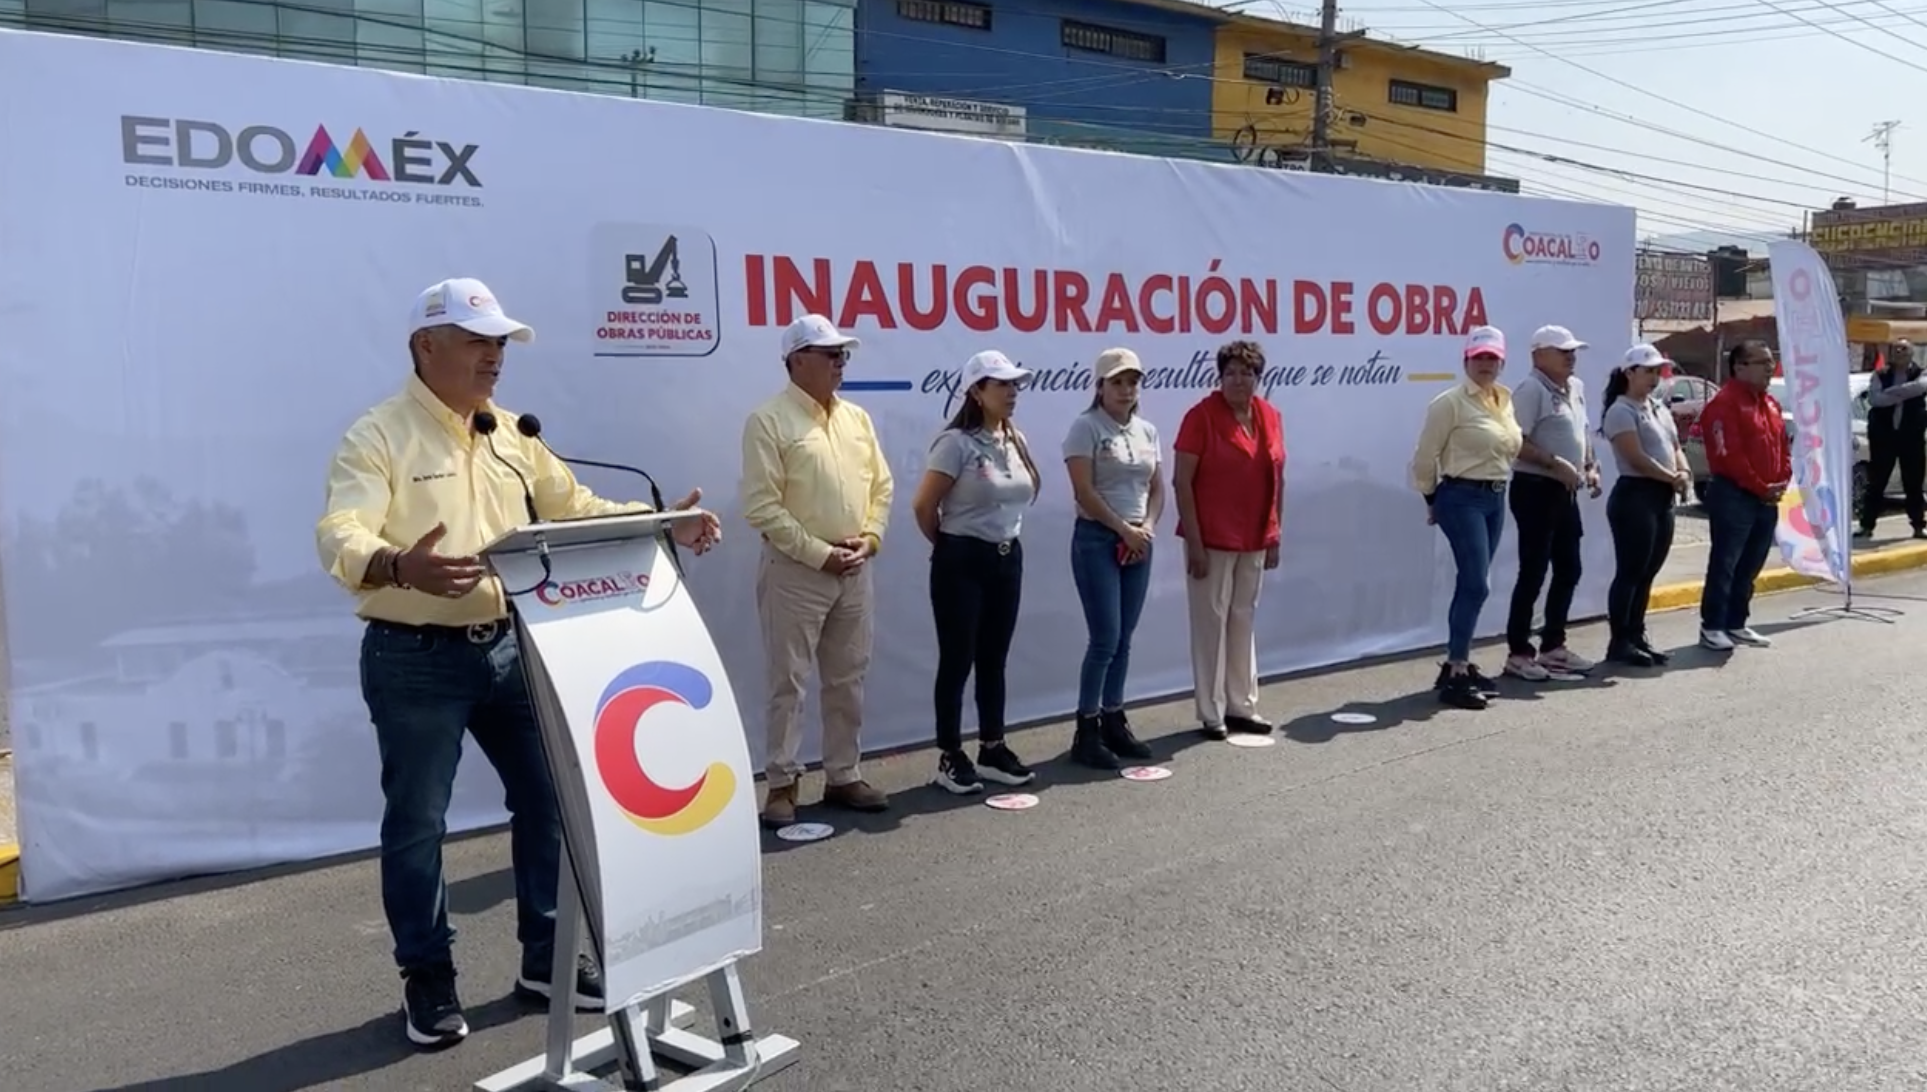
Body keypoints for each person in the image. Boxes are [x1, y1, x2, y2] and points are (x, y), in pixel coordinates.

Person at [315, 278, 721, 1049]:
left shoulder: (511, 433)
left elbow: (575, 507)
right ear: (425, 345)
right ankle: (428, 978)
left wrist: (663, 522)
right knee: (418, 825)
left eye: (500, 343)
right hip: (415, 658)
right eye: (478, 340)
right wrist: (398, 564)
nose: (494, 356)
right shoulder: (378, 435)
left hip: (513, 648)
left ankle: (547, 961)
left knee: (550, 802)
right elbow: (340, 530)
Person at [739, 314, 896, 828]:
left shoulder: (856, 418)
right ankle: (782, 782)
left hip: (853, 567)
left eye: (842, 354)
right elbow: (762, 506)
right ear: (797, 360)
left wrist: (870, 538)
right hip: (796, 571)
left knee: (848, 677)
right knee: (788, 681)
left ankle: (843, 773)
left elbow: (882, 486)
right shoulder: (768, 420)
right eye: (831, 354)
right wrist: (818, 553)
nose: (840, 362)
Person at [911, 350, 1042, 795]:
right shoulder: (955, 443)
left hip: (1007, 558)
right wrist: (951, 547)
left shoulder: (1015, 438)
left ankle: (992, 747)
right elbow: (924, 506)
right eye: (1001, 384)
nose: (1012, 392)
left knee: (993, 657)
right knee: (957, 658)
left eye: (1014, 384)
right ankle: (950, 754)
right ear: (977, 392)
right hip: (961, 560)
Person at [1172, 340, 1285, 740]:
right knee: (1211, 622)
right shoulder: (1200, 416)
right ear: (1219, 377)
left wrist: (1274, 533)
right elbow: (1182, 482)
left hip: (1254, 535)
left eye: (1247, 373)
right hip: (1211, 538)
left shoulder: (1269, 415)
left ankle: (1242, 705)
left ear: (1258, 378)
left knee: (1242, 618)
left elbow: (1277, 478)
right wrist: (1195, 544)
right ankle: (1212, 710)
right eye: (1231, 373)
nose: (1239, 380)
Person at [1410, 325, 1522, 710]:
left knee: (1471, 582)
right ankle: (1457, 669)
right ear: (1466, 361)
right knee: (1477, 583)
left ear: (1502, 362)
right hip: (1461, 496)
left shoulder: (1504, 399)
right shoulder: (1450, 403)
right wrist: (1431, 498)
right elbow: (1425, 456)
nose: (1486, 364)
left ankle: (1457, 662)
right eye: (1479, 358)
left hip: (1496, 495)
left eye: (1492, 358)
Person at [1061, 347, 1162, 769]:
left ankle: (1114, 719)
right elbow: (1084, 492)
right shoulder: (1085, 427)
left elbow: (1157, 487)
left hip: (1138, 540)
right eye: (1117, 382)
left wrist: (1146, 528)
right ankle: (1086, 730)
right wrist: (1124, 529)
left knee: (1124, 638)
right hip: (1098, 538)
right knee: (1105, 637)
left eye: (1132, 382)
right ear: (1100, 386)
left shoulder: (1147, 431)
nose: (1126, 389)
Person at [1502, 324, 1602, 681]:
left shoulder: (1576, 387)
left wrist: (1590, 465)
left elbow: (1582, 432)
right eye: (1563, 351)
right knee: (1534, 571)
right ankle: (1519, 652)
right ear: (1538, 355)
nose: (1570, 357)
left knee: (1569, 567)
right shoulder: (1530, 390)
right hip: (1535, 488)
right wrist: (1554, 463)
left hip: (1565, 490)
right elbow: (1515, 442)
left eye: (1573, 351)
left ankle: (1553, 646)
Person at [1600, 344, 1691, 667]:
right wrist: (1671, 477)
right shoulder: (1620, 410)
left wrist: (1684, 471)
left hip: (1661, 496)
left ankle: (1637, 634)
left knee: (1648, 571)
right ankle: (1620, 640)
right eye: (1648, 371)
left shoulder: (1657, 408)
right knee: (1631, 571)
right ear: (1630, 373)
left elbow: (1675, 446)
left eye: (1657, 372)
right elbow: (1636, 457)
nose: (1654, 378)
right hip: (1635, 496)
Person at [1697, 338, 1790, 651]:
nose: (1769, 368)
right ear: (1739, 367)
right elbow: (1730, 457)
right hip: (1734, 495)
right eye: (1762, 362)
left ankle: (1736, 622)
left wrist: (1781, 480)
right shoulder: (1724, 404)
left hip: (1766, 498)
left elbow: (1782, 446)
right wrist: (1761, 486)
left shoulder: (1770, 403)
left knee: (1751, 564)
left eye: (1771, 361)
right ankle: (1712, 626)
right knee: (1726, 562)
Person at [1859, 338, 1927, 540]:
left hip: (1911, 437)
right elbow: (1876, 399)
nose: (1899, 352)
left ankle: (1918, 526)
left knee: (1913, 483)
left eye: (1904, 349)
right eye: (1896, 349)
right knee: (1876, 483)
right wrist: (1906, 391)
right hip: (1884, 437)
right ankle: (1866, 526)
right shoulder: (1880, 374)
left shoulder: (1921, 373)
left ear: (1911, 353)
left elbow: (1921, 387)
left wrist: (1891, 393)